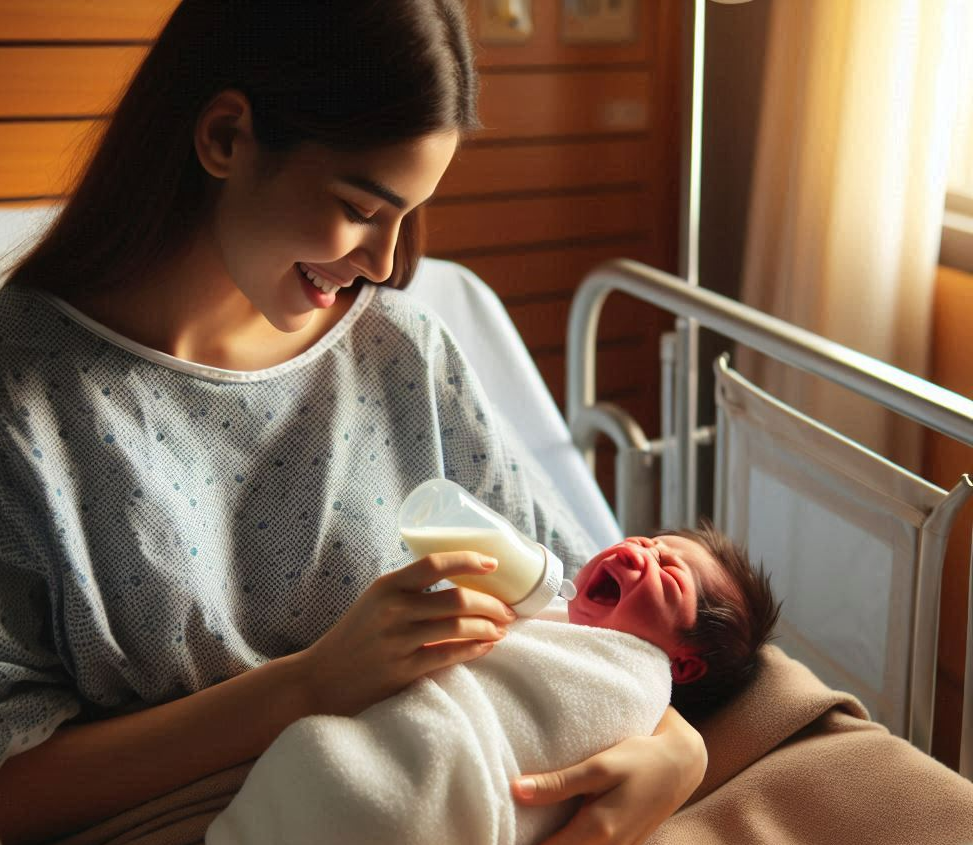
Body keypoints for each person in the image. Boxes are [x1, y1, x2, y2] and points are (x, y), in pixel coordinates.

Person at [0, 2, 706, 843]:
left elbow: (577, 608)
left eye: (407, 216)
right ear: (225, 137)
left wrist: (678, 746)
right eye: (362, 207)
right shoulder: (27, 404)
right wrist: (308, 686)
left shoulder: (404, 353)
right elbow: (14, 784)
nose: (383, 262)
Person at [206, 526, 780, 845]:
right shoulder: (549, 608)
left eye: (670, 572)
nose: (641, 552)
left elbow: (560, 712)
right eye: (649, 541)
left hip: (443, 781)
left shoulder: (637, 682)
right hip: (363, 762)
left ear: (683, 665)